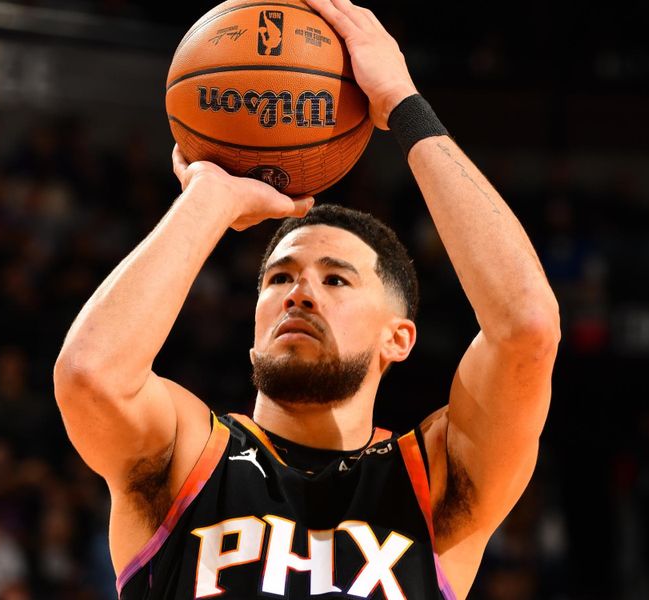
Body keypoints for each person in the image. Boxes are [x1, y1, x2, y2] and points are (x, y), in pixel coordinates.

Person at [53, 0, 561, 598]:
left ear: (397, 337)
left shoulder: (436, 482)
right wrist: (208, 198)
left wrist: (403, 103)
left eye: (336, 279)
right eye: (278, 278)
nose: (300, 293)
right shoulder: (189, 456)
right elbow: (89, 375)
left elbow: (527, 325)